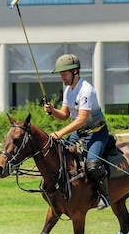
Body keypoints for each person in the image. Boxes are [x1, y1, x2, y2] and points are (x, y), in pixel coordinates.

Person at [44, 53, 111, 210]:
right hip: (80, 133)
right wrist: (53, 110)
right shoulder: (68, 90)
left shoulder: (86, 90)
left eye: (65, 73)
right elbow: (65, 115)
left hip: (96, 133)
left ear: (75, 71)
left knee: (93, 164)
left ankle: (105, 196)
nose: (62, 76)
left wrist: (59, 133)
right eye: (61, 74)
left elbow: (81, 119)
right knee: (58, 153)